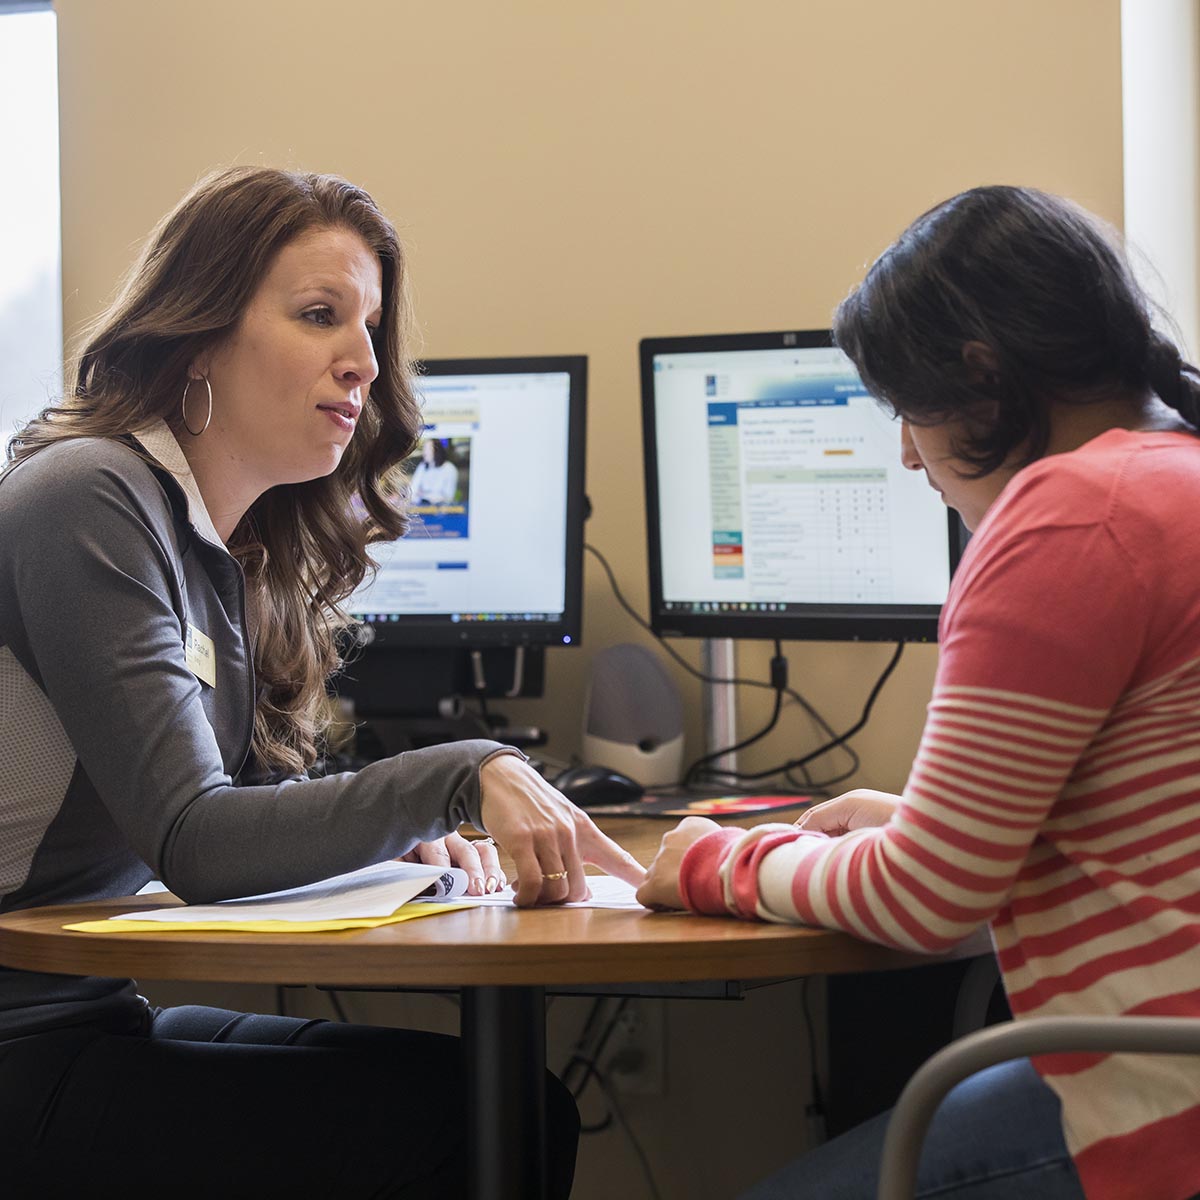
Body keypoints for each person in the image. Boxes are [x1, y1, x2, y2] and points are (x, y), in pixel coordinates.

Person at [0, 165, 644, 1198]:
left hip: (84, 1018)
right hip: (20, 1046)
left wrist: (381, 830)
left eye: (371, 328)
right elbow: (192, 838)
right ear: (197, 334)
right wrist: (456, 775)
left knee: (513, 1105)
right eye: (318, 315)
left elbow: (235, 811)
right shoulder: (87, 495)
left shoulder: (216, 542)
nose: (363, 361)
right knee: (461, 1122)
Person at [638, 186, 1200, 1200]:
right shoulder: (1175, 476)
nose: (904, 452)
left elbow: (926, 898)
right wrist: (920, 823)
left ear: (981, 375)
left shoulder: (1073, 514)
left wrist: (722, 859)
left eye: (906, 406)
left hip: (1170, 1101)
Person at [409, 436, 460, 503]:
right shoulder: (423, 466)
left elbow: (448, 497)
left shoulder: (450, 469)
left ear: (436, 451)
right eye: (424, 449)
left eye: (427, 449)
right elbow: (413, 489)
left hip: (441, 510)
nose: (424, 453)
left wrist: (423, 494)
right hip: (422, 508)